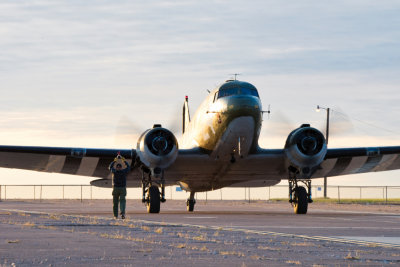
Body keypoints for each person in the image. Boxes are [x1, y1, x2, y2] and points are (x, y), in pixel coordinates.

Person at [109, 154, 130, 219]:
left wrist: (114, 161)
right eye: (118, 167)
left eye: (118, 167)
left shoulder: (114, 171)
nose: (118, 168)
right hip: (122, 188)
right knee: (122, 201)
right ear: (121, 168)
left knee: (115, 203)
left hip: (116, 188)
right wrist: (124, 160)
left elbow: (110, 167)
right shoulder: (123, 171)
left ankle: (115, 215)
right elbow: (128, 167)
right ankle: (122, 213)